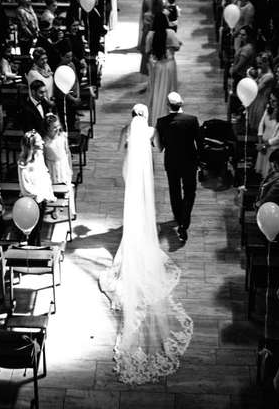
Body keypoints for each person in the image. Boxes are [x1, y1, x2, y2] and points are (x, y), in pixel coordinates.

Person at [99, 104, 193, 384]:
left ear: (132, 116)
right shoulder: (150, 130)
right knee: (142, 208)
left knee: (133, 207)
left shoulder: (128, 130)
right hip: (143, 177)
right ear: (145, 116)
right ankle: (141, 234)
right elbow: (157, 144)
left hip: (132, 177)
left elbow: (121, 149)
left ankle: (134, 234)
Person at [156, 91, 200, 244]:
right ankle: (184, 222)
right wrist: (201, 162)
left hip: (172, 162)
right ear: (182, 104)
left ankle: (179, 217)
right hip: (189, 162)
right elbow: (199, 143)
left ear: (168, 105)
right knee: (189, 191)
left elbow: (160, 146)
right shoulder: (192, 120)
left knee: (174, 191)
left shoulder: (161, 122)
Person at [17, 130, 54, 244]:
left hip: (41, 199)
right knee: (32, 232)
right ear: (32, 145)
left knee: (38, 230)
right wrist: (39, 195)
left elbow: (44, 174)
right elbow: (25, 187)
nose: (43, 142)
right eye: (39, 141)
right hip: (32, 201)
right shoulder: (23, 163)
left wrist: (47, 193)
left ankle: (37, 251)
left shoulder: (39, 156)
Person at [145, 12, 181, 123]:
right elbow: (176, 47)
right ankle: (170, 116)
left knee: (156, 91)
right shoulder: (170, 33)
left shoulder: (151, 35)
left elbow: (147, 51)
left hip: (157, 66)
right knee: (169, 90)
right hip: (169, 65)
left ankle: (156, 117)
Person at [43, 112, 76, 217]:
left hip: (62, 165)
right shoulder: (44, 141)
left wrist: (70, 168)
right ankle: (55, 209)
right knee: (54, 189)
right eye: (53, 128)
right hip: (51, 166)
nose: (57, 129)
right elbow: (43, 157)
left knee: (68, 187)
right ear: (47, 129)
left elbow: (67, 153)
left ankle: (72, 210)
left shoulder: (62, 137)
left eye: (58, 126)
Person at [255, 88, 279, 177]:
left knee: (271, 174)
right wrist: (260, 143)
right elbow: (261, 124)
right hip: (264, 147)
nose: (271, 102)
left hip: (274, 149)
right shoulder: (268, 109)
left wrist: (264, 145)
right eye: (270, 99)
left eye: (274, 101)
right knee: (263, 174)